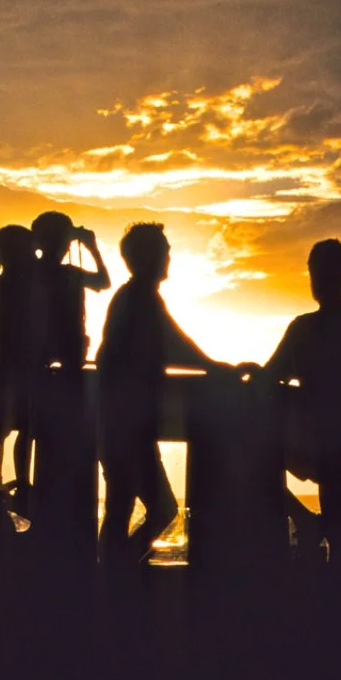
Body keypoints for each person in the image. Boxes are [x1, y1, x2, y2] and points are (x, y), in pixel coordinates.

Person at [96, 222, 227, 565]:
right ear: (149, 256)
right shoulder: (140, 299)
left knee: (119, 507)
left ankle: (111, 574)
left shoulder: (135, 297)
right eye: (164, 250)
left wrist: (214, 366)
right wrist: (217, 369)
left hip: (118, 423)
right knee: (163, 508)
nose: (170, 255)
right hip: (129, 426)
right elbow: (174, 346)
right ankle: (119, 568)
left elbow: (173, 343)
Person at [263, 238, 341, 566]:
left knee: (339, 533)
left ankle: (335, 597)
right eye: (314, 272)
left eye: (323, 272)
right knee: (257, 465)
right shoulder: (304, 327)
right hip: (313, 440)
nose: (317, 280)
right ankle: (306, 522)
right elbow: (271, 374)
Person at [0, 224, 46, 499]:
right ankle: (14, 478)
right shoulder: (17, 283)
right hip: (20, 364)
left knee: (7, 426)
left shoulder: (5, 282)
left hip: (9, 363)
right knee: (20, 426)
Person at [31, 210, 110, 373]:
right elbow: (103, 282)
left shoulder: (29, 272)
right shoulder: (71, 274)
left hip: (37, 352)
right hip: (70, 351)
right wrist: (93, 248)